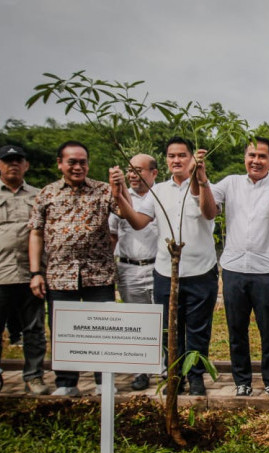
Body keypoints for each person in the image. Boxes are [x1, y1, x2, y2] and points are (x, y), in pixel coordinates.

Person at [112, 137, 218, 396]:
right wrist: (119, 197)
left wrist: (201, 179)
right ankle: (175, 375)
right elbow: (138, 222)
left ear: (193, 158)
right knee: (170, 327)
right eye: (172, 156)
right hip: (165, 272)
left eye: (182, 155)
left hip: (201, 271)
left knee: (198, 329)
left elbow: (210, 213)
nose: (177, 160)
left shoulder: (205, 185)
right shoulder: (157, 191)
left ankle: (195, 377)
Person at [28, 141, 117, 396]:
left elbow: (124, 212)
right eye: (72, 162)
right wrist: (36, 272)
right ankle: (67, 382)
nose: (78, 167)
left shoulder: (102, 190)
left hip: (98, 273)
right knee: (64, 330)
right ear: (60, 163)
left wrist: (118, 189)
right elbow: (36, 233)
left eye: (82, 162)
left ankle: (104, 380)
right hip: (59, 274)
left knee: (102, 328)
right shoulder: (47, 193)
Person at [211, 138, 269, 397]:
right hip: (234, 267)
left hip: (265, 270)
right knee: (236, 329)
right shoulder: (230, 183)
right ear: (244, 158)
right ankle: (242, 381)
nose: (256, 161)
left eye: (262, 156)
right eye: (252, 155)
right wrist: (199, 175)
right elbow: (207, 203)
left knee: (268, 329)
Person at [108, 154, 159, 391]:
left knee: (165, 320)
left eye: (138, 170)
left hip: (159, 266)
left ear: (154, 173)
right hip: (129, 267)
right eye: (130, 171)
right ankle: (141, 370)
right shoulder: (117, 199)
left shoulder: (163, 196)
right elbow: (112, 235)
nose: (132, 175)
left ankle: (168, 367)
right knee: (137, 321)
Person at [0, 145, 48, 394]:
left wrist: (38, 271)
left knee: (34, 328)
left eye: (18, 160)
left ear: (26, 165)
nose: (13, 165)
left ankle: (34, 375)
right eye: (7, 161)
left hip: (32, 273)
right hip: (2, 273)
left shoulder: (39, 195)